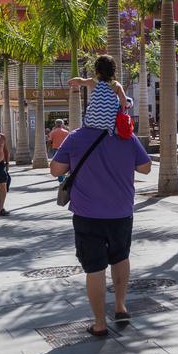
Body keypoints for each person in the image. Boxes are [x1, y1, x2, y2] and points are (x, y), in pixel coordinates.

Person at [51, 119, 152, 338]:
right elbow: (145, 167)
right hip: (121, 212)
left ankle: (99, 324)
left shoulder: (76, 137)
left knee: (95, 268)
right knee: (120, 257)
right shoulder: (126, 137)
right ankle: (120, 307)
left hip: (87, 214)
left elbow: (55, 169)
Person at [68, 55, 130, 131]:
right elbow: (123, 99)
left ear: (97, 70)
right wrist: (123, 111)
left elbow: (80, 80)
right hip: (110, 123)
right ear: (113, 70)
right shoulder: (116, 85)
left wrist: (71, 81)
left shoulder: (92, 82)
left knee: (89, 109)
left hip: (91, 123)